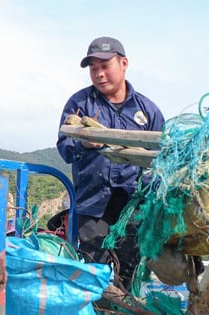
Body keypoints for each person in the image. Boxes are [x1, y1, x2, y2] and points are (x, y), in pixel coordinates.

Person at [57, 36, 165, 290]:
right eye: (94, 69)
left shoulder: (147, 111)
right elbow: (64, 148)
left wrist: (148, 197)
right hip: (93, 205)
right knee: (93, 273)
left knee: (126, 276)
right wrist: (83, 143)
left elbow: (162, 160)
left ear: (124, 63)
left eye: (105, 66)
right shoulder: (80, 104)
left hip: (133, 207)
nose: (99, 74)